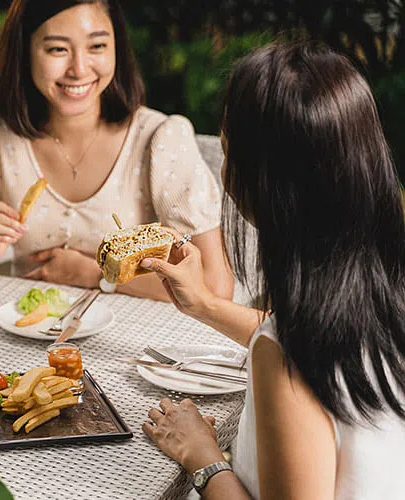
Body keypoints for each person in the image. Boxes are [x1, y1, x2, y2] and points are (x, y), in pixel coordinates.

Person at [141, 42, 405, 498]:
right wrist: (204, 304)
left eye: (226, 149)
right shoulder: (384, 292)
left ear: (255, 183)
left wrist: (202, 456)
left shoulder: (284, 356)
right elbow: (326, 336)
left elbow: (295, 349)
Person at [0, 0, 233, 301]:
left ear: (117, 48)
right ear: (24, 53)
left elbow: (215, 287)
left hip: (134, 329)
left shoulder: (160, 140)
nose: (78, 69)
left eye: (97, 46)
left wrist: (95, 274)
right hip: (24, 323)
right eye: (57, 49)